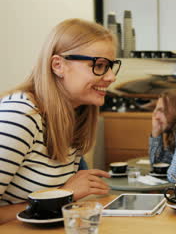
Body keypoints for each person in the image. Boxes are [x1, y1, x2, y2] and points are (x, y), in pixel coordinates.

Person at [0, 18, 121, 224]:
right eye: (99, 65)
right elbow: (66, 195)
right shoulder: (20, 115)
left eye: (111, 66)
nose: (111, 77)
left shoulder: (73, 116)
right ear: (58, 65)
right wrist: (64, 194)